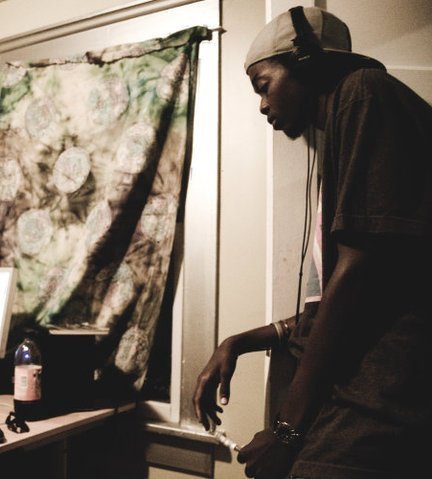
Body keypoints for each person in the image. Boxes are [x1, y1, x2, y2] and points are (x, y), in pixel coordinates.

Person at [193, 5, 432, 479]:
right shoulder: (343, 128)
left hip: (379, 401)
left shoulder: (364, 92)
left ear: (306, 63)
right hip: (358, 394)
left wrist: (287, 432)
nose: (262, 105)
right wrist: (239, 341)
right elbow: (351, 291)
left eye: (264, 86)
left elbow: (358, 274)